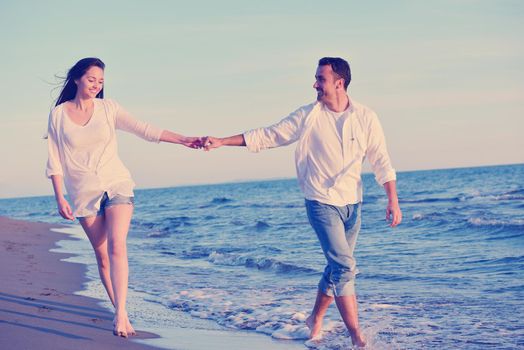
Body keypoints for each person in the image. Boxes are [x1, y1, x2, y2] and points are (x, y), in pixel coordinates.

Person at [201, 57, 402, 347]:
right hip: (320, 201)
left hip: (353, 203)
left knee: (336, 268)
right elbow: (269, 135)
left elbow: (381, 159)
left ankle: (314, 318)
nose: (315, 84)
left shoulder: (366, 117)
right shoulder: (308, 116)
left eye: (320, 79)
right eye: (316, 78)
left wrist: (392, 199)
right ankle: (357, 338)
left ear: (339, 83)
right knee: (344, 267)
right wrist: (222, 141)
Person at [46, 57, 201, 337]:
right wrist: (60, 198)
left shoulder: (109, 109)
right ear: (77, 78)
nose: (96, 85)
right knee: (102, 256)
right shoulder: (58, 115)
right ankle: (121, 310)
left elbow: (145, 129)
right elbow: (54, 160)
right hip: (83, 195)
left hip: (116, 184)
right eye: (92, 79)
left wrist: (183, 139)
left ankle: (119, 315)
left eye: (101, 81)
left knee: (118, 245)